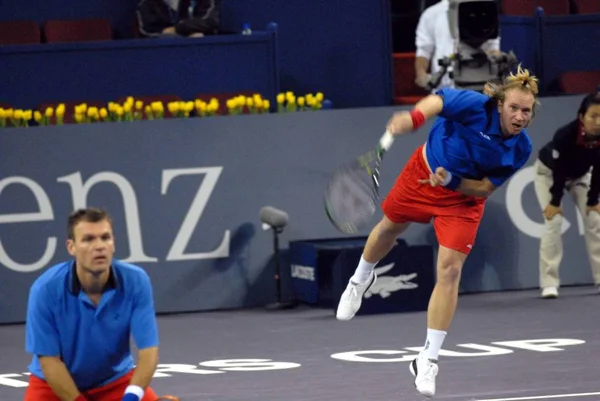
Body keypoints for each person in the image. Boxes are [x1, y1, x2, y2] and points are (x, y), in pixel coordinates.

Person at [336, 65, 539, 398]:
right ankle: (360, 280)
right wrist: (414, 119)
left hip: (461, 200)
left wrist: (452, 182)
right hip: (421, 175)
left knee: (450, 270)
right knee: (389, 228)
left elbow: (485, 187)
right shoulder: (475, 105)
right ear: (500, 104)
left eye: (526, 111)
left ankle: (427, 359)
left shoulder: (521, 148)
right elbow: (437, 102)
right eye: (514, 108)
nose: (519, 116)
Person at [23, 207, 170, 401]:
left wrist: (131, 397)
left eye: (105, 237)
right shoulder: (45, 290)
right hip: (53, 386)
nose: (99, 246)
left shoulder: (136, 281)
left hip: (115, 382)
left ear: (113, 243)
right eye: (88, 239)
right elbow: (50, 362)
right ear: (71, 247)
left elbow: (149, 353)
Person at [533, 92, 600, 299]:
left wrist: (593, 201)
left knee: (595, 219)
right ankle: (549, 283)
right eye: (593, 116)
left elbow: (598, 168)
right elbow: (559, 170)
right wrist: (555, 202)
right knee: (553, 222)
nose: (598, 122)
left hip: (580, 177)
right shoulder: (565, 135)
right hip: (549, 174)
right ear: (581, 117)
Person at [415, 0, 501, 91]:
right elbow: (423, 51)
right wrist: (421, 74)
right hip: (444, 88)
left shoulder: (485, 9)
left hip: (481, 84)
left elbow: (494, 46)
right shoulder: (431, 14)